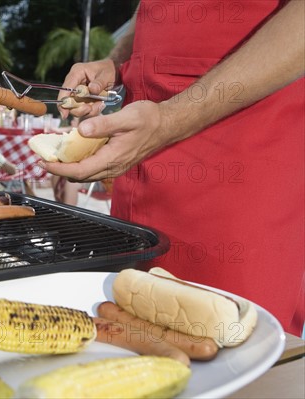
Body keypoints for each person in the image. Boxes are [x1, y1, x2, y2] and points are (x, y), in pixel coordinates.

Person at [41, 1, 304, 336]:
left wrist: (171, 119)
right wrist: (119, 59)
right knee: (129, 335)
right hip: (144, 149)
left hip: (241, 148)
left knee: (238, 345)